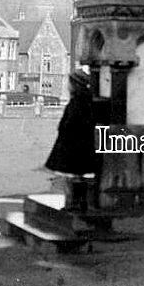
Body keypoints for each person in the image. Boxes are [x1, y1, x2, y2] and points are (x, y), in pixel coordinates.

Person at [45, 71, 97, 211]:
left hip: (75, 145)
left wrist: (64, 129)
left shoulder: (79, 101)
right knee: (76, 174)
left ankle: (75, 204)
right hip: (77, 143)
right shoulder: (83, 99)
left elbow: (73, 122)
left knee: (75, 175)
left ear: (75, 84)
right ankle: (76, 203)